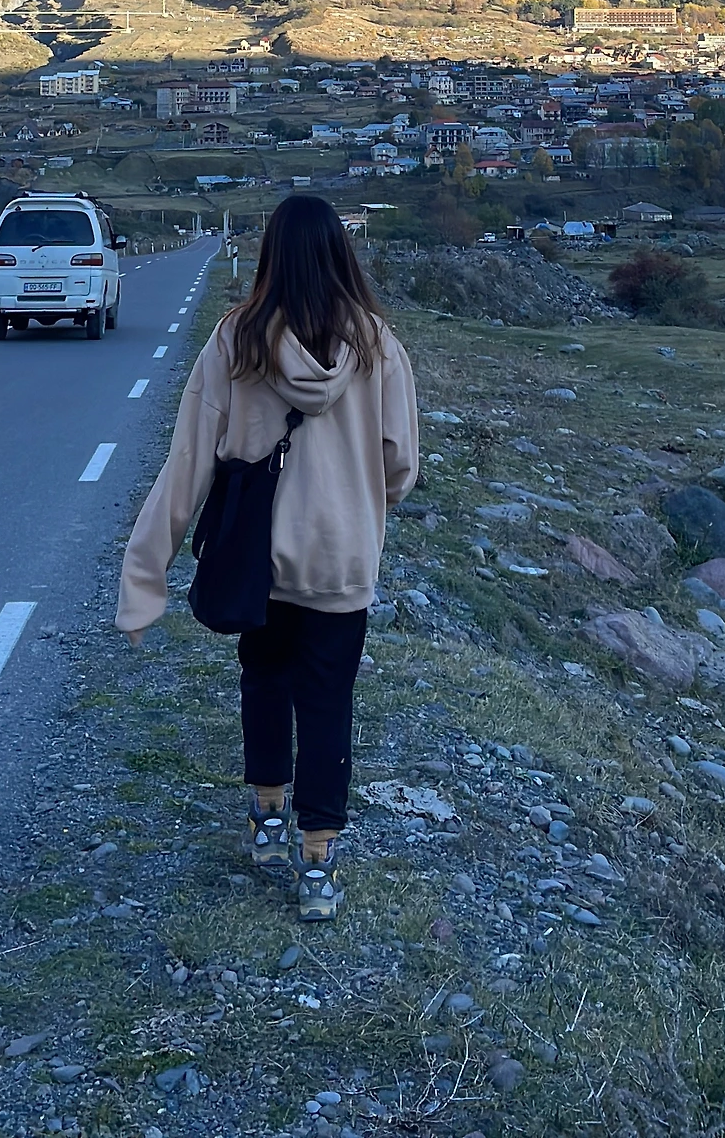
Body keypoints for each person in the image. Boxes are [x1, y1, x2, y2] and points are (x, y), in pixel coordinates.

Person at [116, 195, 419, 921]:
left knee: (264, 681)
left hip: (262, 559)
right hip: (343, 559)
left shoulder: (236, 340)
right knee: (328, 700)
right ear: (341, 254)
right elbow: (400, 464)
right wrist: (360, 501)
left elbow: (188, 464)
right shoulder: (378, 345)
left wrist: (144, 578)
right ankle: (318, 859)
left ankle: (268, 815)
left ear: (270, 256)